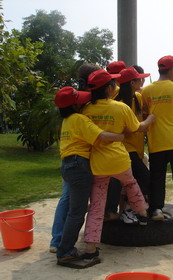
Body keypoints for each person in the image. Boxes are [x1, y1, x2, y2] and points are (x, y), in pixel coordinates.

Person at [82, 69, 154, 264]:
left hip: (98, 164)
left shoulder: (86, 110)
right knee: (131, 185)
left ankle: (90, 248)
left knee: (97, 206)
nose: (116, 85)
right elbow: (137, 127)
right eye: (113, 83)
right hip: (119, 160)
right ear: (108, 88)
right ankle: (142, 214)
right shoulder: (120, 108)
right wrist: (150, 119)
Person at [54, 86, 125, 268]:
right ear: (75, 105)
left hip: (67, 165)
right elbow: (101, 135)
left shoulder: (67, 120)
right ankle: (65, 251)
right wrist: (121, 136)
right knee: (77, 212)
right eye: (80, 101)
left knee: (74, 209)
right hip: (79, 166)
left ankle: (64, 248)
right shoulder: (79, 119)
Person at [49, 63, 102, 253]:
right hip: (81, 158)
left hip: (69, 157)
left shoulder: (73, 97)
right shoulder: (82, 102)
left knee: (68, 200)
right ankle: (63, 245)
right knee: (76, 207)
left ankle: (57, 241)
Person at [141, 55, 173, 221]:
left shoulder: (147, 90)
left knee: (157, 177)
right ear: (171, 70)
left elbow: (145, 114)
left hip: (156, 141)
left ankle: (155, 209)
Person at [114, 67, 152, 223]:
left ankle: (131, 210)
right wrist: (149, 120)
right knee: (144, 176)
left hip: (136, 149)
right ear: (131, 83)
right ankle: (130, 210)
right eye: (139, 79)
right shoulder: (120, 103)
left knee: (134, 180)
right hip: (124, 149)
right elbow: (129, 129)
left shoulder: (137, 97)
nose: (142, 81)